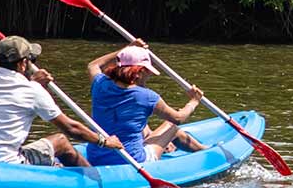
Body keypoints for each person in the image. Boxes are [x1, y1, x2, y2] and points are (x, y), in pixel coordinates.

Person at [0, 36, 121, 167]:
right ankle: (92, 182)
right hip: (4, 163)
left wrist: (34, 82)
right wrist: (104, 141)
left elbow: (12, 90)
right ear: (23, 63)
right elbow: (71, 129)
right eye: (30, 61)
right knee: (61, 141)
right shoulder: (33, 91)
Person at [85, 39, 207, 167]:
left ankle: (167, 145)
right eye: (148, 71)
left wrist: (128, 48)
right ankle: (204, 152)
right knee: (172, 127)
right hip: (133, 161)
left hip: (95, 158)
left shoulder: (100, 84)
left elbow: (93, 65)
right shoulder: (147, 96)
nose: (149, 75)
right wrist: (194, 101)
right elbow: (178, 118)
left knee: (138, 121)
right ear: (140, 72)